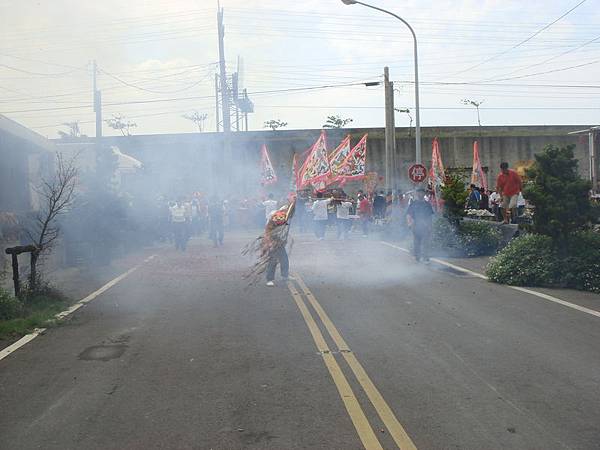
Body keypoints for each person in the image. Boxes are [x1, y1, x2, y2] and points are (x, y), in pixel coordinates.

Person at [406, 187, 434, 263]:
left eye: (422, 192)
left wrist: (430, 226)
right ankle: (417, 257)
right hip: (416, 226)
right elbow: (409, 214)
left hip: (425, 226)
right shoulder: (413, 203)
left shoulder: (427, 204)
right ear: (417, 194)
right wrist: (409, 223)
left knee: (425, 242)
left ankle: (425, 257)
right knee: (417, 242)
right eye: (419, 192)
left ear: (424, 194)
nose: (420, 194)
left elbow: (429, 216)